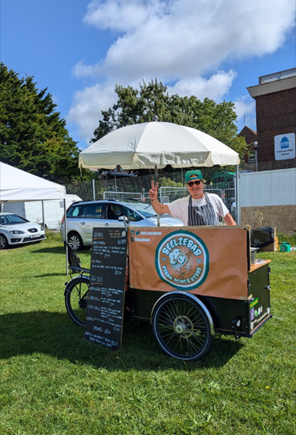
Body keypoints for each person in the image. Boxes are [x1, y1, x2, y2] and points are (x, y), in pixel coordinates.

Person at [148, 170, 236, 226]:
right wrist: (154, 199)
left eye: (197, 182)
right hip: (194, 251)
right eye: (191, 183)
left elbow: (228, 218)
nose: (194, 186)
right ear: (187, 186)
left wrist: (233, 237)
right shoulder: (181, 203)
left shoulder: (214, 198)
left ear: (202, 183)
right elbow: (160, 209)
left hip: (213, 247)